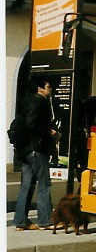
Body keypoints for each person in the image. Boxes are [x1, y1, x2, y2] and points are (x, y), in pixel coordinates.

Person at [13, 76, 58, 231]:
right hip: (37, 150)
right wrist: (49, 132)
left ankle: (20, 222)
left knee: (26, 185)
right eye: (49, 86)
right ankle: (45, 220)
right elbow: (32, 124)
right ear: (41, 89)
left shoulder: (26, 101)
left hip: (25, 150)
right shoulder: (40, 102)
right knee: (44, 185)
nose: (51, 89)